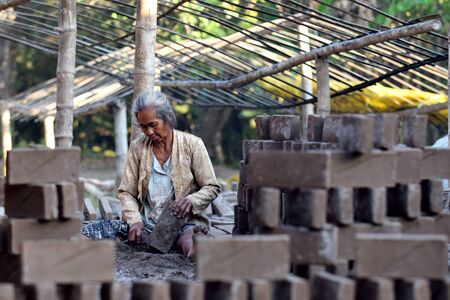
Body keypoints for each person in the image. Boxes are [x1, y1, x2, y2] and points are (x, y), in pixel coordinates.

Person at [82, 91, 221, 257]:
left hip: (182, 223)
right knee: (88, 233)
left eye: (153, 125)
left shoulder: (192, 144)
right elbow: (126, 192)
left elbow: (211, 186)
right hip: (146, 225)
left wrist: (191, 201)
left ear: (168, 118)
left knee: (187, 238)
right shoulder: (137, 147)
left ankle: (194, 247)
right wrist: (135, 221)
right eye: (143, 127)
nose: (148, 132)